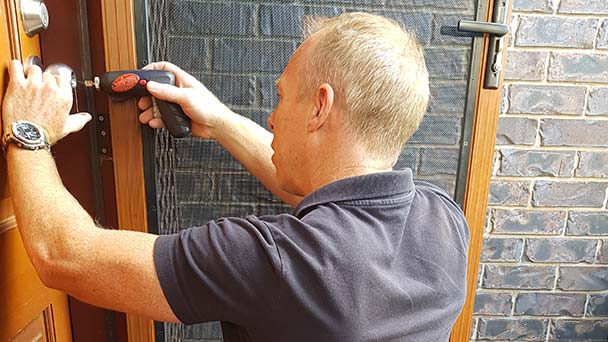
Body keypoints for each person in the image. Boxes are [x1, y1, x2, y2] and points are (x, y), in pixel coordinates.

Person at [2, 12, 469, 341]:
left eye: (283, 97)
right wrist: (219, 120)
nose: (271, 118)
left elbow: (64, 256)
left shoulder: (275, 262)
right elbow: (329, 197)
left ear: (320, 107)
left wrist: (29, 130)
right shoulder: (444, 220)